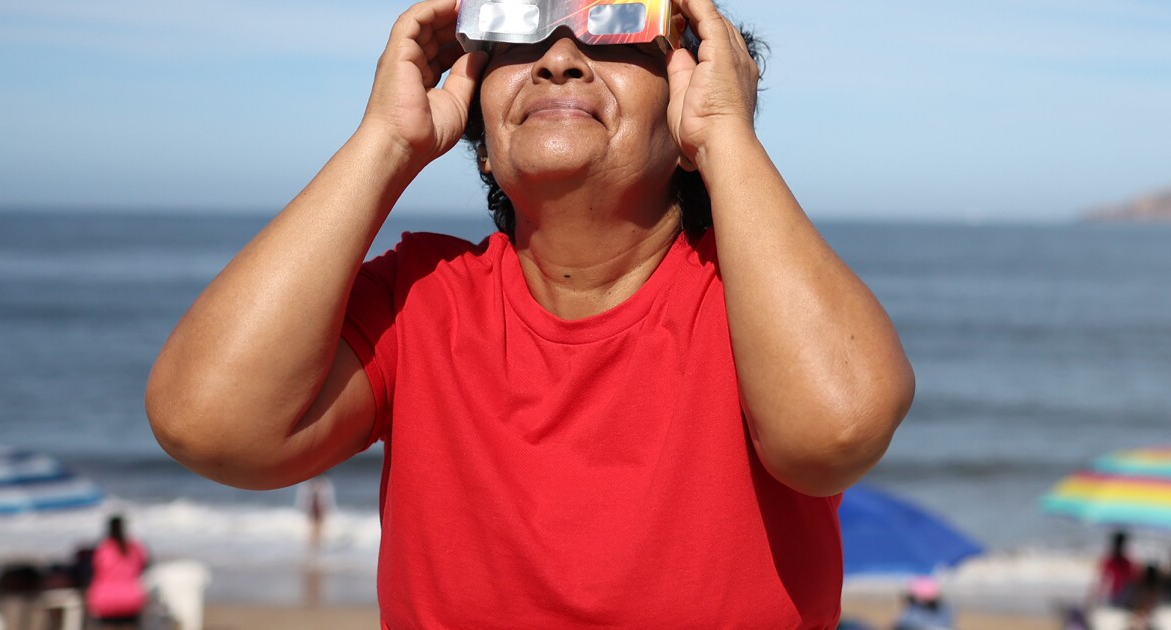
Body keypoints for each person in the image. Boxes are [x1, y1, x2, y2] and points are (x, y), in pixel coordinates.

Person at [145, 0, 915, 625]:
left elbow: (836, 431)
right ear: (481, 139)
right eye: (517, 28)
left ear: (689, 104)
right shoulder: (423, 298)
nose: (558, 56)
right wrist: (387, 142)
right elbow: (207, 423)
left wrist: (727, 139)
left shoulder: (753, 306)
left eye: (616, 21)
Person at [86, 515, 149, 629]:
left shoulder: (103, 548)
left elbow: (94, 570)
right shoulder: (134, 547)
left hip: (105, 600)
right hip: (131, 598)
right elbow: (143, 566)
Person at [1095, 530, 1140, 608]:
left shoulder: (1118, 561)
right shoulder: (1120, 561)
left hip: (1119, 596)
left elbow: (1103, 579)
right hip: (1119, 596)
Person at [296, 475, 336, 554]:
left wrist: (330, 509)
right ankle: (312, 547)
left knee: (319, 528)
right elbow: (304, 498)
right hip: (312, 509)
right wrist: (302, 508)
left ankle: (317, 547)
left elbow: (328, 499)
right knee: (312, 528)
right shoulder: (309, 484)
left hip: (320, 509)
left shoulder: (324, 483)